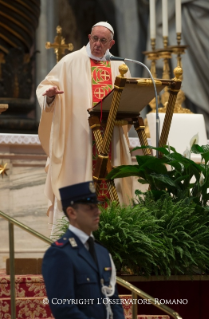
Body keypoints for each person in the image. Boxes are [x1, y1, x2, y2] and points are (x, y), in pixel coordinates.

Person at [37, 22, 133, 233]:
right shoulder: (70, 62)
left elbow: (129, 101)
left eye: (103, 40)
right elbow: (45, 86)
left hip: (110, 141)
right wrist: (51, 96)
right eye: (94, 39)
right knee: (79, 185)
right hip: (79, 141)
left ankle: (114, 239)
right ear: (89, 37)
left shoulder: (119, 67)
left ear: (111, 43)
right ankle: (72, 236)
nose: (97, 44)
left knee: (112, 188)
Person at [42, 181, 125, 319]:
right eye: (90, 207)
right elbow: (64, 309)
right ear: (72, 212)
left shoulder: (102, 252)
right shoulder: (59, 254)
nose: (97, 211)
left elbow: (114, 300)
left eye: (97, 206)